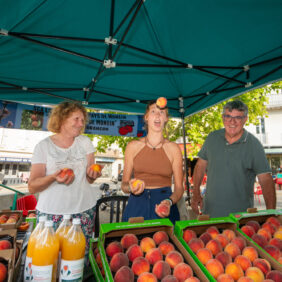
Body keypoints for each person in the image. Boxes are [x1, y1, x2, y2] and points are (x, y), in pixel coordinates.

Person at [28, 102, 101, 259]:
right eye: (76, 119)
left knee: (79, 258)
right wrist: (53, 177)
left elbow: (89, 179)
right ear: (62, 119)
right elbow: (32, 186)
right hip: (51, 214)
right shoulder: (43, 147)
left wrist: (92, 175)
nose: (80, 124)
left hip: (84, 211)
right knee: (50, 258)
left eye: (82, 120)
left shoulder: (85, 142)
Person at [191, 100, 276, 218]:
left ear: (245, 119)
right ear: (222, 118)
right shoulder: (212, 138)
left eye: (238, 117)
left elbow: (266, 180)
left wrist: (271, 214)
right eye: (228, 116)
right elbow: (200, 166)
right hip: (210, 215)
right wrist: (196, 193)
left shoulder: (254, 145)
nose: (232, 121)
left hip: (240, 219)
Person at [121, 100, 184, 224]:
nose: (157, 115)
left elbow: (179, 188)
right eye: (153, 111)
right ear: (146, 117)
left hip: (164, 203)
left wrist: (169, 202)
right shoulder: (132, 146)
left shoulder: (174, 149)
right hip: (136, 204)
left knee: (166, 243)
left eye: (162, 112)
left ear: (166, 118)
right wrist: (130, 187)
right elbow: (124, 185)